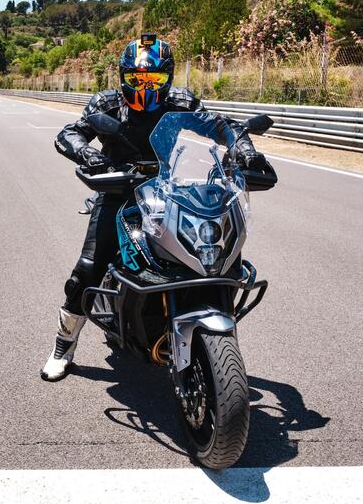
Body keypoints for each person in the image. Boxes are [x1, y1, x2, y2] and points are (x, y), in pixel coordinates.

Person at [40, 34, 271, 381]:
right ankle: (64, 345)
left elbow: (221, 126)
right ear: (123, 77)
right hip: (119, 189)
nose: (145, 86)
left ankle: (209, 330)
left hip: (170, 190)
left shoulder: (181, 101)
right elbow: (70, 134)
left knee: (211, 254)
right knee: (88, 268)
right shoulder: (106, 103)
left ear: (168, 77)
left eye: (154, 79)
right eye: (137, 79)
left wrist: (245, 152)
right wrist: (89, 155)